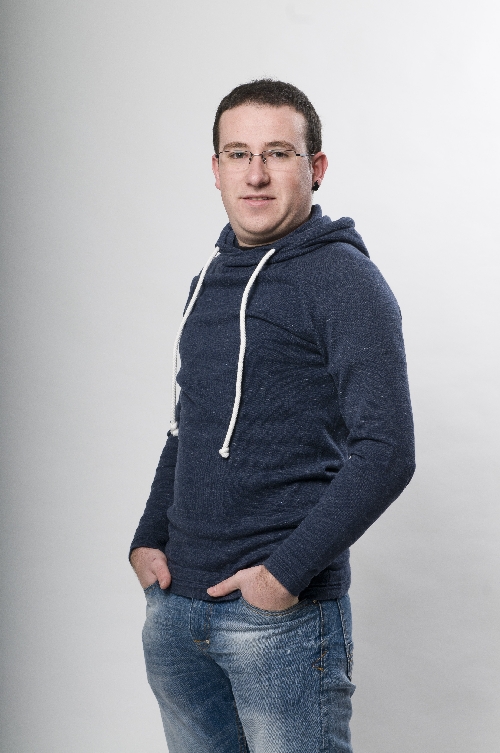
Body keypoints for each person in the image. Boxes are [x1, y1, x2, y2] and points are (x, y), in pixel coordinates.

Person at [130, 79, 415, 753]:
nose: (255, 174)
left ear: (316, 167)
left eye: (278, 153)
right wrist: (147, 538)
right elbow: (188, 425)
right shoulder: (210, 279)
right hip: (177, 616)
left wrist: (282, 576)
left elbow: (387, 450)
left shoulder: (344, 280)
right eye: (238, 154)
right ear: (216, 169)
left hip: (278, 624)